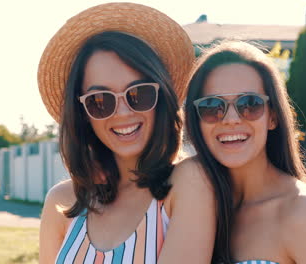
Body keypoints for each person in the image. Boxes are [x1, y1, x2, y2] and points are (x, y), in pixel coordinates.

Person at [37, 3, 215, 263]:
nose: (122, 113)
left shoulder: (188, 183)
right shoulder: (62, 201)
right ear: (83, 113)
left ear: (161, 97)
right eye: (101, 100)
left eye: (138, 94)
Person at [184, 41, 306, 264]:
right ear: (197, 120)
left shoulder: (303, 212)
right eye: (212, 106)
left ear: (273, 117)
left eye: (249, 104)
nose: (231, 119)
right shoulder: (192, 206)